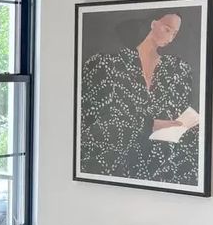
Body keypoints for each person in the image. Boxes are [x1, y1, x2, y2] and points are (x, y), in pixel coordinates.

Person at [79, 12, 199, 186]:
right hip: (114, 156)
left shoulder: (176, 70)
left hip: (165, 154)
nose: (170, 38)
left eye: (174, 34)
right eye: (167, 30)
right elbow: (91, 119)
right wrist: (149, 124)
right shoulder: (107, 64)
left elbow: (179, 115)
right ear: (153, 24)